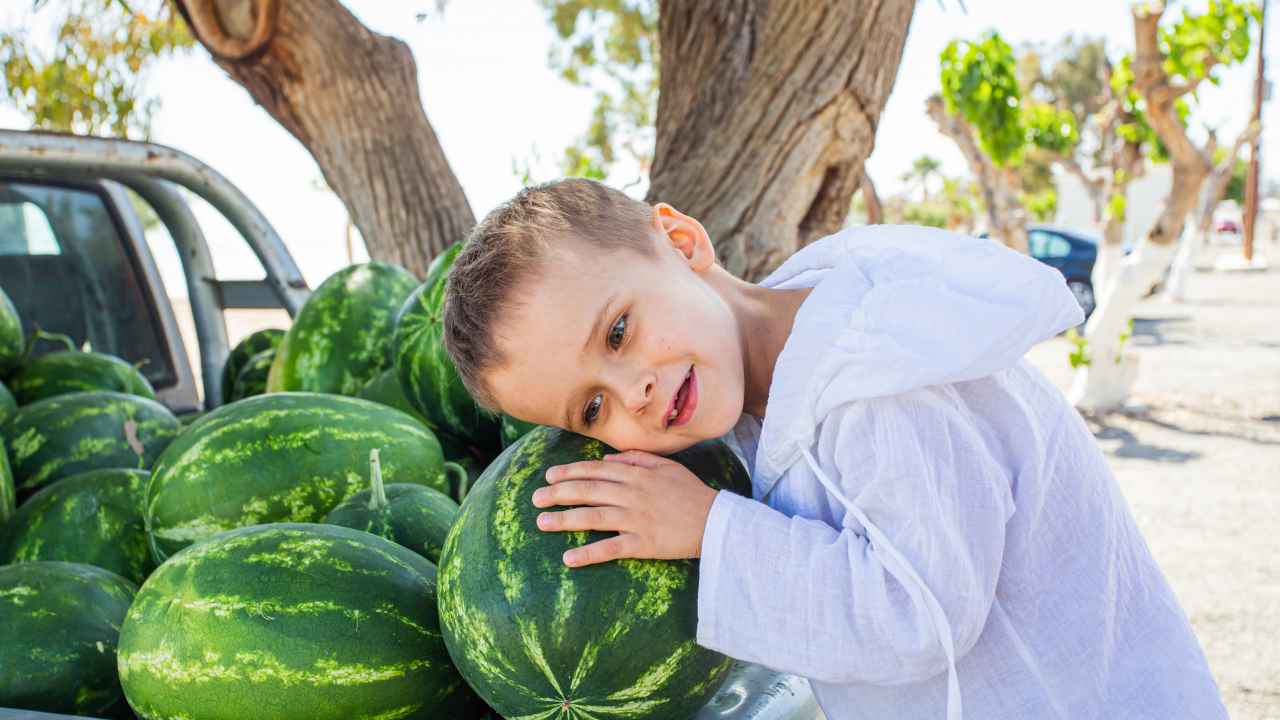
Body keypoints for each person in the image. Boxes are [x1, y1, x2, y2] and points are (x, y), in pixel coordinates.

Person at [441, 178, 1226, 719]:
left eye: (618, 332)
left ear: (681, 244)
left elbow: (920, 613)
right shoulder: (759, 396)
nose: (632, 392)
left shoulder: (879, 374)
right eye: (592, 407)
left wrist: (713, 530)